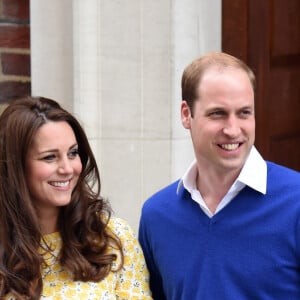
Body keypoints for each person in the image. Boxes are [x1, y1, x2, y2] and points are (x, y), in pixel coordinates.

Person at [138, 52, 300, 299]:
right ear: (185, 114)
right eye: (218, 114)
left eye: (244, 113)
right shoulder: (156, 216)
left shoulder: (296, 201)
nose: (233, 130)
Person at [0, 96, 152, 299]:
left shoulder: (114, 238)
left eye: (72, 153)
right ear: (15, 167)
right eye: (50, 157)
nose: (68, 168)